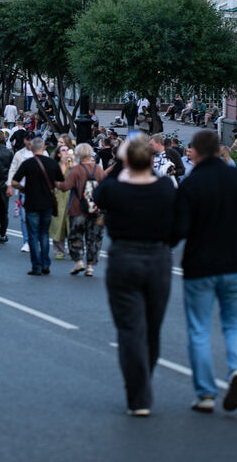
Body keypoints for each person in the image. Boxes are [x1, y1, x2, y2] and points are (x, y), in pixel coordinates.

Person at [173, 130, 237, 413]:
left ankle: (205, 393)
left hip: (200, 267)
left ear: (197, 153)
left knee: (199, 329)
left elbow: (177, 230)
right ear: (218, 150)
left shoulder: (192, 185)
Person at [92, 136, 176, 416]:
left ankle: (138, 396)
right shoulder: (165, 188)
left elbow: (99, 192)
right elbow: (179, 225)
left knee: (130, 329)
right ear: (152, 161)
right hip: (158, 260)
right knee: (152, 329)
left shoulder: (114, 190)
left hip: (124, 259)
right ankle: (144, 381)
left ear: (126, 160)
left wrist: (120, 163)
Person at [9, 137, 64, 275]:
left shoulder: (28, 164)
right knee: (44, 234)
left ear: (32, 149)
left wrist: (23, 188)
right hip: (48, 202)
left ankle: (36, 266)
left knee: (33, 235)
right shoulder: (52, 163)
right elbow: (60, 184)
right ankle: (46, 263)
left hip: (31, 201)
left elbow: (14, 181)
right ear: (44, 148)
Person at [57, 142, 105, 277]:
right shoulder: (99, 170)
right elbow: (105, 187)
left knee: (75, 235)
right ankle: (90, 266)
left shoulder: (76, 170)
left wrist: (55, 182)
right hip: (96, 209)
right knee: (94, 238)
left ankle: (79, 261)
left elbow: (65, 186)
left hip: (77, 208)